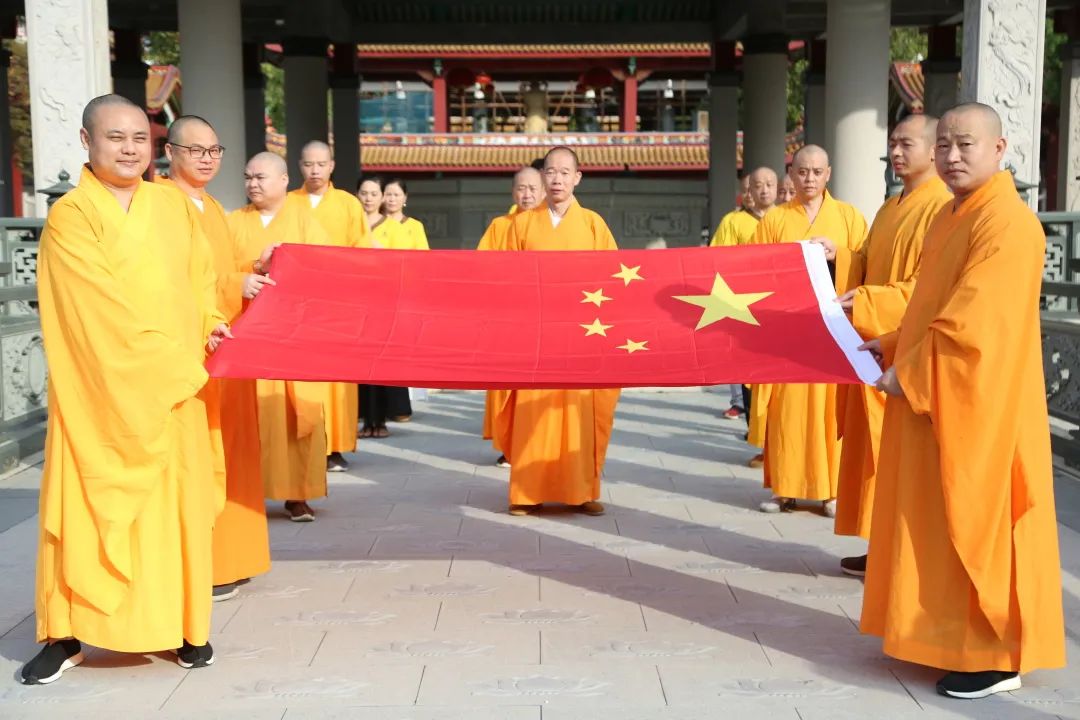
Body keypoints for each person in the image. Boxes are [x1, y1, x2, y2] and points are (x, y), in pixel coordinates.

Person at [20, 95, 229, 684]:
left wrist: (212, 325)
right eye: (116, 138)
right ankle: (65, 636)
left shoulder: (173, 206)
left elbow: (201, 282)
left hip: (173, 392)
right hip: (103, 393)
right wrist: (168, 364)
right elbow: (93, 312)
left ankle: (186, 629)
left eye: (141, 137)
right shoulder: (72, 216)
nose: (131, 148)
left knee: (173, 513)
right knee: (90, 507)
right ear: (87, 142)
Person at [860, 102, 1065, 699]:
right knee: (933, 526)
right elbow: (934, 305)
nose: (951, 156)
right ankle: (940, 637)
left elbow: (975, 324)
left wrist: (912, 370)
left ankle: (995, 653)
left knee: (978, 521)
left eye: (965, 145)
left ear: (1000, 151)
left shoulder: (1009, 223)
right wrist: (895, 342)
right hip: (940, 399)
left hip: (983, 408)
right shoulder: (951, 216)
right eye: (944, 145)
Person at [809, 114, 952, 577]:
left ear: (933, 150)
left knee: (903, 457)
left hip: (909, 348)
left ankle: (904, 553)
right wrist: (842, 258)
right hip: (876, 343)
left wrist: (869, 300)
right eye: (892, 143)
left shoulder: (941, 207)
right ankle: (881, 545)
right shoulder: (892, 206)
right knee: (877, 454)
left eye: (905, 144)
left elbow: (928, 287)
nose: (895, 152)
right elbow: (869, 262)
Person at [160, 115, 272, 602]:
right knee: (200, 456)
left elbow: (219, 270)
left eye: (214, 150)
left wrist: (254, 271)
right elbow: (172, 279)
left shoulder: (212, 207)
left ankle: (231, 556)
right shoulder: (160, 204)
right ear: (170, 152)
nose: (206, 159)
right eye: (195, 150)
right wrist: (233, 284)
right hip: (192, 350)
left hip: (226, 346)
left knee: (233, 450)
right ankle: (199, 563)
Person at [497, 146, 621, 517]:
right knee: (534, 412)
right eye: (550, 172)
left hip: (582, 333)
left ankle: (582, 491)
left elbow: (614, 279)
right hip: (535, 334)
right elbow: (502, 281)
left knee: (579, 410)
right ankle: (526, 492)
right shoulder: (521, 224)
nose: (557, 179)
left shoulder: (594, 224)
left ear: (578, 178)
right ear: (541, 176)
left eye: (565, 172)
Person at [749, 145, 867, 516]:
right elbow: (755, 269)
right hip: (790, 328)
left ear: (828, 174)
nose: (810, 179)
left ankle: (830, 489)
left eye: (817, 172)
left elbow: (867, 262)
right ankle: (784, 488)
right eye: (802, 172)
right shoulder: (774, 220)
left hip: (834, 326)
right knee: (787, 411)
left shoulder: (849, 217)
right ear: (792, 175)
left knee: (829, 410)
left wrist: (839, 254)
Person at [229, 152, 330, 523]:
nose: (253, 184)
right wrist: (254, 267)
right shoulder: (234, 223)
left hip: (295, 335)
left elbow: (324, 267)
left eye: (261, 177)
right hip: (250, 334)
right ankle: (247, 491)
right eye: (248, 177)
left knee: (297, 414)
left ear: (284, 180)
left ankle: (298, 494)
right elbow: (219, 270)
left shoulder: (306, 220)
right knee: (253, 418)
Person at [290, 140, 370, 473]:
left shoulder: (348, 204)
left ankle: (335, 444)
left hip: (338, 299)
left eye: (321, 164)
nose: (315, 171)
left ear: (332, 166)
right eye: (309, 164)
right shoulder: (288, 202)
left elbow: (361, 249)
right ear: (299, 166)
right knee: (305, 375)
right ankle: (305, 438)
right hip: (298, 302)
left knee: (338, 376)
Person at [477, 166, 546, 468]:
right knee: (507, 386)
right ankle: (508, 446)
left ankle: (535, 443)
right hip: (508, 319)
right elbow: (482, 269)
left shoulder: (550, 226)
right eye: (521, 188)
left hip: (542, 319)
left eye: (533, 188)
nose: (527, 194)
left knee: (537, 387)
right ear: (512, 191)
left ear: (544, 191)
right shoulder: (499, 226)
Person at [710, 167, 780, 446]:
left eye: (769, 184)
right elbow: (717, 261)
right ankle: (757, 434)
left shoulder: (787, 219)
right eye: (757, 185)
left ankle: (776, 436)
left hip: (779, 310)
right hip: (744, 307)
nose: (764, 190)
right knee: (750, 375)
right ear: (747, 191)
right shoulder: (732, 222)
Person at [355, 175, 416, 437]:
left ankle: (378, 421)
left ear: (382, 197)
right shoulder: (352, 226)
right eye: (363, 193)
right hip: (358, 302)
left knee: (379, 363)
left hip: (385, 302)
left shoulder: (395, 228)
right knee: (359, 364)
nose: (368, 198)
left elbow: (404, 265)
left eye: (373, 193)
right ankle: (364, 420)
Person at [371, 177, 427, 424]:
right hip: (376, 293)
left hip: (403, 293)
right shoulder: (372, 223)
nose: (392, 199)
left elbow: (424, 261)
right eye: (388, 194)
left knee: (397, 351)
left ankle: (398, 406)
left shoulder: (414, 226)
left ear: (405, 198)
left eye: (396, 195)